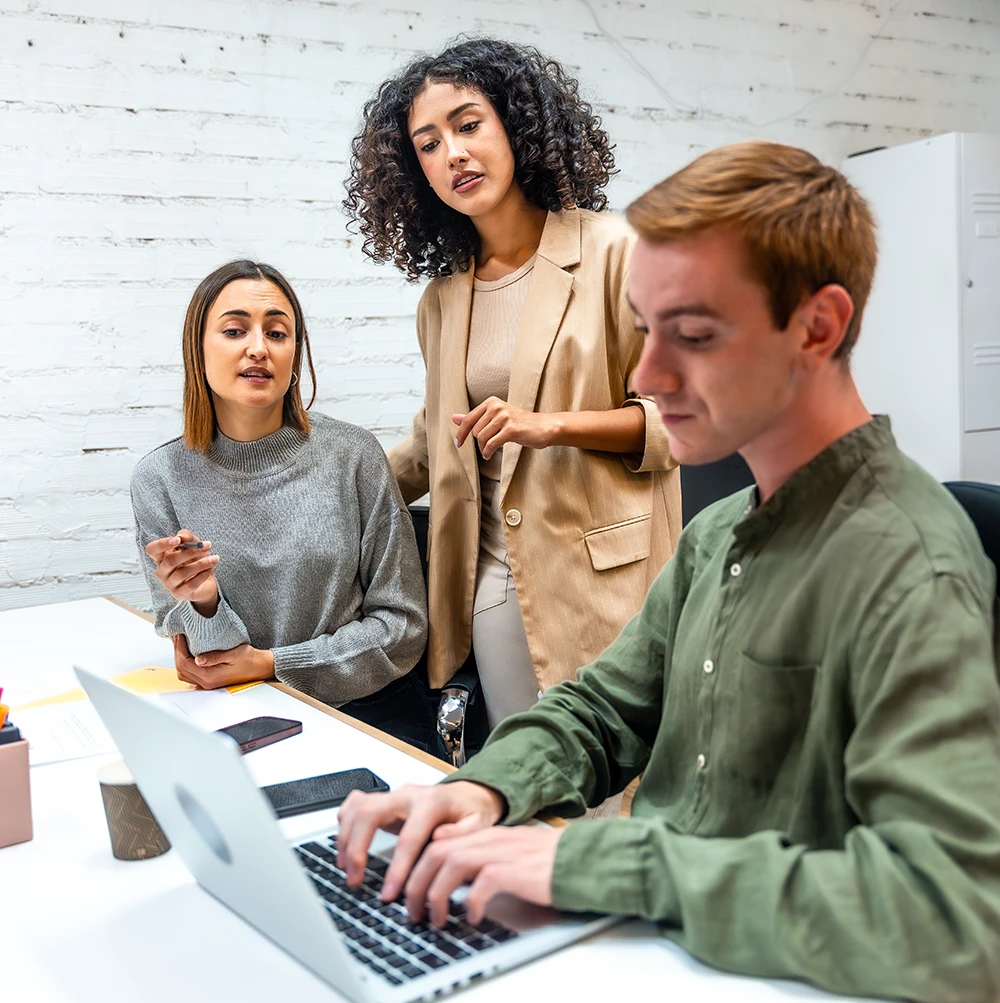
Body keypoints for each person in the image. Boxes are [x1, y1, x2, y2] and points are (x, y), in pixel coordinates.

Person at [335, 142, 1000, 1000]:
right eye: (646, 331)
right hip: (657, 953)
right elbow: (603, 707)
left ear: (818, 327)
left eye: (691, 334)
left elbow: (954, 918)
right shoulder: (721, 528)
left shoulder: (910, 567)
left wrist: (598, 858)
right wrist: (483, 791)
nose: (647, 375)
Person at [344, 37, 681, 730]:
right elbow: (435, 444)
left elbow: (680, 419)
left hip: (612, 584)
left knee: (621, 803)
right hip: (494, 585)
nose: (454, 154)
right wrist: (320, 489)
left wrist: (549, 424)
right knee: (530, 792)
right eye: (428, 144)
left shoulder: (619, 253)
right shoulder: (443, 299)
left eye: (469, 125)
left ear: (518, 126)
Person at [130, 260, 430, 744]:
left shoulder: (352, 455)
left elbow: (403, 625)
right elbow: (209, 663)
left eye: (276, 333)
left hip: (367, 714)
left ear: (295, 352)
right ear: (197, 350)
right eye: (233, 330)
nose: (258, 348)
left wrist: (273, 664)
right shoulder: (160, 478)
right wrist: (203, 601)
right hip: (236, 716)